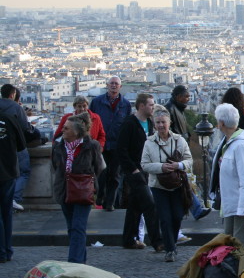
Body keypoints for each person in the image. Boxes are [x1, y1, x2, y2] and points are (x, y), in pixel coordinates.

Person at [141, 106, 193, 262]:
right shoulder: (149, 143)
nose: (161, 125)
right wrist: (161, 167)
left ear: (169, 123)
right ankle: (170, 249)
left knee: (177, 216)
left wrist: (178, 166)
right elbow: (144, 164)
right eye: (157, 122)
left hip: (177, 184)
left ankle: (172, 242)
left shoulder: (179, 140)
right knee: (164, 217)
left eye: (163, 122)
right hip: (158, 185)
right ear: (154, 124)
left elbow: (189, 160)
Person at [51, 113, 105, 264]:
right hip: (64, 191)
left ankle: (74, 263)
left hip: (83, 191)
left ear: (76, 132)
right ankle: (81, 262)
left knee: (78, 227)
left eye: (66, 128)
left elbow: (99, 167)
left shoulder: (91, 146)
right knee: (72, 229)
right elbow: (55, 166)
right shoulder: (58, 146)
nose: (63, 130)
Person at [211, 103, 244, 245]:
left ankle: (242, 267)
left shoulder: (240, 145)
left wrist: (243, 208)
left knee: (239, 243)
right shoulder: (231, 142)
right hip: (233, 201)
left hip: (241, 203)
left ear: (221, 123)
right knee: (229, 240)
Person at [117, 93, 163, 251]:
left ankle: (129, 239)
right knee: (150, 204)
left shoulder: (149, 123)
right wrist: (133, 169)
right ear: (141, 105)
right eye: (150, 104)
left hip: (145, 169)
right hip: (135, 171)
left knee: (135, 206)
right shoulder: (129, 123)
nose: (153, 107)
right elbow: (121, 149)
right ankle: (157, 241)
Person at [165, 85, 210, 224]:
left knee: (182, 182)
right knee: (182, 181)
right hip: (174, 153)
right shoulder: (171, 109)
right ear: (178, 96)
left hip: (178, 151)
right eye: (186, 96)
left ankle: (195, 209)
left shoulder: (176, 108)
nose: (188, 99)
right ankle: (195, 209)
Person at [90, 76, 132, 211]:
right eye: (112, 83)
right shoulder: (96, 102)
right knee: (101, 173)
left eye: (116, 84)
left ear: (120, 87)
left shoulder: (125, 104)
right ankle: (101, 197)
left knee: (115, 175)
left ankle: (109, 203)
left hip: (116, 145)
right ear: (107, 85)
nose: (114, 86)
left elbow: (127, 126)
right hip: (100, 144)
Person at [1, 84, 41, 212]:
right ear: (13, 95)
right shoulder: (15, 107)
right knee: (24, 171)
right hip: (15, 145)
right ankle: (14, 198)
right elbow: (25, 129)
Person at [0, 111, 25, 263]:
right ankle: (8, 250)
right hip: (8, 171)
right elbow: (22, 145)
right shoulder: (9, 118)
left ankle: (2, 252)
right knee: (6, 213)